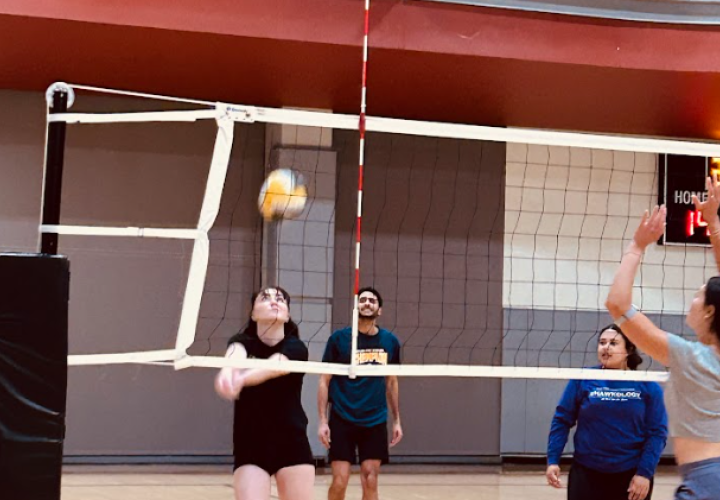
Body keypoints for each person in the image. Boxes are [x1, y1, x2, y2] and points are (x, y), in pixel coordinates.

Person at [605, 174, 720, 500]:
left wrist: (637, 246)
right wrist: (712, 222)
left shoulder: (689, 357)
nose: (692, 299)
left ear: (710, 311)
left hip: (707, 480)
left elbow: (617, 304)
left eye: (698, 295)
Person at [546, 324, 668, 500]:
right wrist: (553, 461)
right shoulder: (584, 378)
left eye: (613, 343)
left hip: (630, 474)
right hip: (586, 473)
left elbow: (657, 433)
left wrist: (644, 473)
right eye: (602, 342)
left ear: (629, 350)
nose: (606, 347)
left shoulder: (648, 385)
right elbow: (562, 420)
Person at [214, 286, 314, 500]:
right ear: (253, 313)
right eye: (265, 298)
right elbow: (234, 357)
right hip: (251, 441)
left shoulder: (296, 347)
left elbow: (276, 366)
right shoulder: (241, 342)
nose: (273, 301)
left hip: (291, 440)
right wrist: (227, 371)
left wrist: (241, 379)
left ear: (287, 315)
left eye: (280, 299)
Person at [318, 287, 402, 500]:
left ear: (379, 310)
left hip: (374, 419)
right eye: (362, 300)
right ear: (356, 307)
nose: (367, 303)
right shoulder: (338, 339)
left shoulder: (390, 342)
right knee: (340, 480)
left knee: (370, 478)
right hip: (342, 417)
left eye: (372, 301)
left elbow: (391, 382)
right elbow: (324, 380)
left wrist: (397, 421)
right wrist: (322, 421)